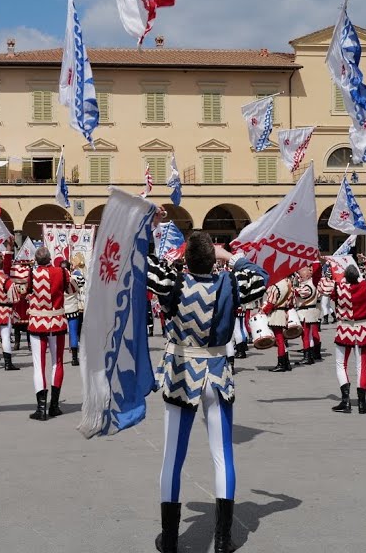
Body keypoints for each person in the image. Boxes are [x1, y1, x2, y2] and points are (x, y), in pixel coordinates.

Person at [148, 227, 268, 553]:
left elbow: (144, 264)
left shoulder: (173, 283)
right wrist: (232, 256)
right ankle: (224, 540)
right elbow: (260, 276)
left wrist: (145, 225)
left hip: (181, 372)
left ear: (186, 258)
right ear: (213, 257)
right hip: (218, 373)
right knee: (222, 456)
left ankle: (171, 540)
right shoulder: (230, 282)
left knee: (172, 458)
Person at [330, 262, 366, 414]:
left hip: (344, 328)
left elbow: (321, 285)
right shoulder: (365, 285)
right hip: (362, 328)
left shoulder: (338, 287)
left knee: (341, 364)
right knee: (361, 366)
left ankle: (345, 401)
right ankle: (361, 404)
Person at [25, 248, 72, 421]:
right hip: (57, 321)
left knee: (39, 365)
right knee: (57, 363)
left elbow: (26, 291)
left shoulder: (33, 273)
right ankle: (54, 406)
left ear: (36, 261)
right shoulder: (61, 271)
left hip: (37, 322)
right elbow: (72, 289)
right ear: (50, 258)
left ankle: (41, 409)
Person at [259, 272, 297, 372]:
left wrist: (263, 312)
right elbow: (292, 302)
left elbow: (271, 303)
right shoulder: (289, 283)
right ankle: (286, 362)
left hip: (276, 313)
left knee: (279, 339)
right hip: (284, 312)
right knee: (282, 339)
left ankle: (281, 364)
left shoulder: (277, 286)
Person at [64, 254, 86, 366]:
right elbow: (82, 281)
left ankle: (59, 357)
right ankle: (74, 358)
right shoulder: (75, 278)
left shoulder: (57, 278)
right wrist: (74, 270)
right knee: (73, 332)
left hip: (61, 309)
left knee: (60, 334)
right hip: (72, 307)